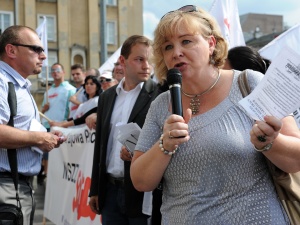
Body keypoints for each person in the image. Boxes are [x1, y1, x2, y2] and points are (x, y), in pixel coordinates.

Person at [130, 5, 300, 225]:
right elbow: (141, 181)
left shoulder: (249, 83)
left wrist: (270, 142)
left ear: (211, 44)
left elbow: (296, 158)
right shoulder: (161, 105)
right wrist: (165, 144)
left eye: (186, 41)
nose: (176, 52)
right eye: (168, 46)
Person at [88, 35, 159, 225]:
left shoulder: (160, 95)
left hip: (141, 194)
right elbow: (101, 145)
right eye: (139, 59)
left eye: (149, 60)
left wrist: (139, 152)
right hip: (109, 191)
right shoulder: (107, 97)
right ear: (122, 60)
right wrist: (95, 189)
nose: (146, 66)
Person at [0, 25, 65, 225]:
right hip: (6, 186)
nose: (43, 56)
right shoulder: (2, 81)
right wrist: (39, 138)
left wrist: (44, 138)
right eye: (36, 49)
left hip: (17, 187)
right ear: (11, 50)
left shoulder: (18, 84)